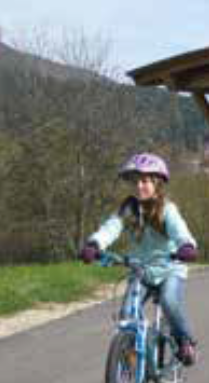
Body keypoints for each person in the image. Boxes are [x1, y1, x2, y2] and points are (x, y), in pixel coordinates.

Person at [80, 153, 199, 365]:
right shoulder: (129, 209)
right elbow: (111, 228)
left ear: (157, 184)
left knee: (169, 301)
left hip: (170, 267)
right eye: (135, 181)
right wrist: (94, 244)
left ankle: (184, 340)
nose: (139, 186)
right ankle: (128, 372)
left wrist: (186, 246)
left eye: (145, 181)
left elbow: (181, 232)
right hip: (141, 270)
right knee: (126, 316)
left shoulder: (167, 210)